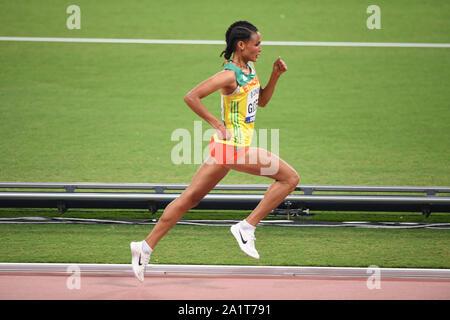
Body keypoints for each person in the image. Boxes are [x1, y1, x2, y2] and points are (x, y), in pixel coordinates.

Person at [130, 21, 300, 282]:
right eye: (257, 44)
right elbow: (191, 97)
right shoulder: (229, 75)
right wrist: (217, 124)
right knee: (289, 178)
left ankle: (144, 247)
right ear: (241, 45)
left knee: (190, 198)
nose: (261, 49)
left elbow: (261, 102)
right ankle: (246, 227)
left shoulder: (250, 68)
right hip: (232, 148)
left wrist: (275, 75)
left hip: (227, 150)